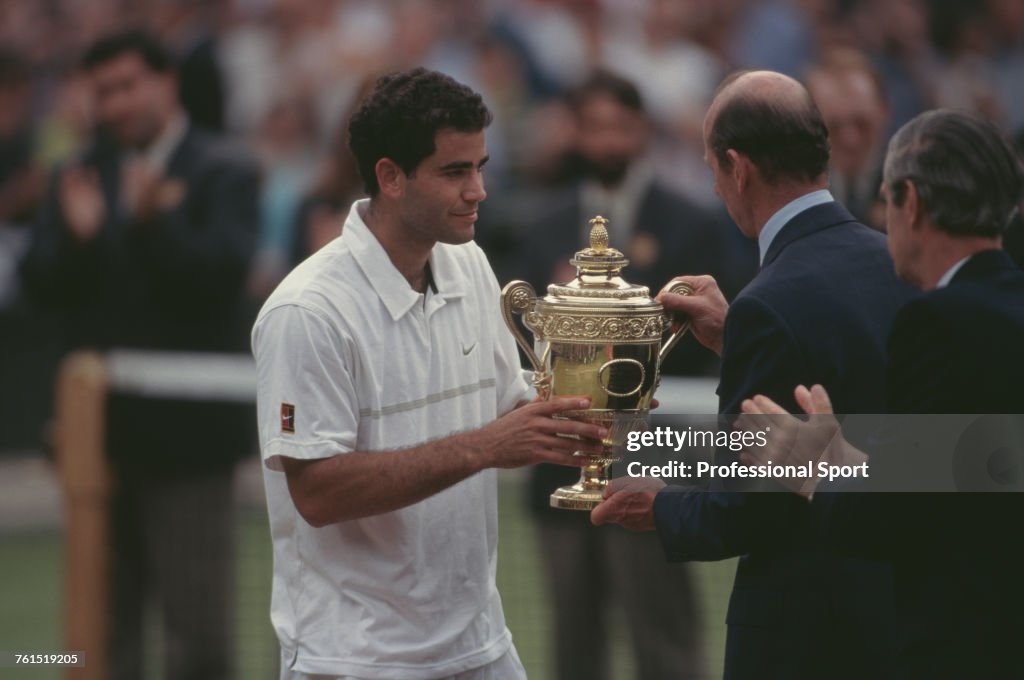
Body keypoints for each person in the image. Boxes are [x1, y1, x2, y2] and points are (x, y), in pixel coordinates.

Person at [251, 67, 606, 680]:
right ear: (390, 177)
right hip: (355, 660)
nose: (479, 191)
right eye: (454, 172)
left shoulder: (469, 262)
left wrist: (602, 406)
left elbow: (510, 415)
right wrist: (485, 447)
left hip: (482, 645)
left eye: (481, 166)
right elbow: (316, 493)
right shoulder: (305, 312)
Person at [591, 70, 917, 679]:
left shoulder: (769, 301)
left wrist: (656, 505)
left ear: (738, 167)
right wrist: (737, 334)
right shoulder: (891, 260)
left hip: (805, 637)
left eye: (714, 168)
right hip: (899, 615)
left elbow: (751, 506)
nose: (715, 187)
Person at [741, 109, 1024, 677]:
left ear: (910, 202)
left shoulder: (938, 323)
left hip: (966, 644)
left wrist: (812, 467)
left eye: (888, 200)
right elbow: (973, 477)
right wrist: (846, 456)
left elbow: (898, 519)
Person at [20, 29, 259, 680]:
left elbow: (221, 281)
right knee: (97, 638)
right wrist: (81, 240)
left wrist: (154, 223)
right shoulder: (76, 172)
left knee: (201, 642)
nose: (116, 104)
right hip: (97, 442)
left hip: (189, 447)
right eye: (102, 93)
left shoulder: (224, 168)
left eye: (126, 86)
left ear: (165, 83)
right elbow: (41, 286)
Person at [515, 69, 712, 680]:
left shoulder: (692, 223)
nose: (607, 142)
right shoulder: (535, 226)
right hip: (560, 470)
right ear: (574, 133)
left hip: (656, 467)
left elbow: (712, 343)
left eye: (619, 127)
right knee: (573, 645)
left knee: (664, 639)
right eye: (593, 127)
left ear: (642, 131)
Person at [805, 48, 890, 230]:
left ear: (884, 113)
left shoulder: (913, 194)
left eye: (862, 124)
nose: (850, 140)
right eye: (833, 127)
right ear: (807, 124)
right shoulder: (791, 196)